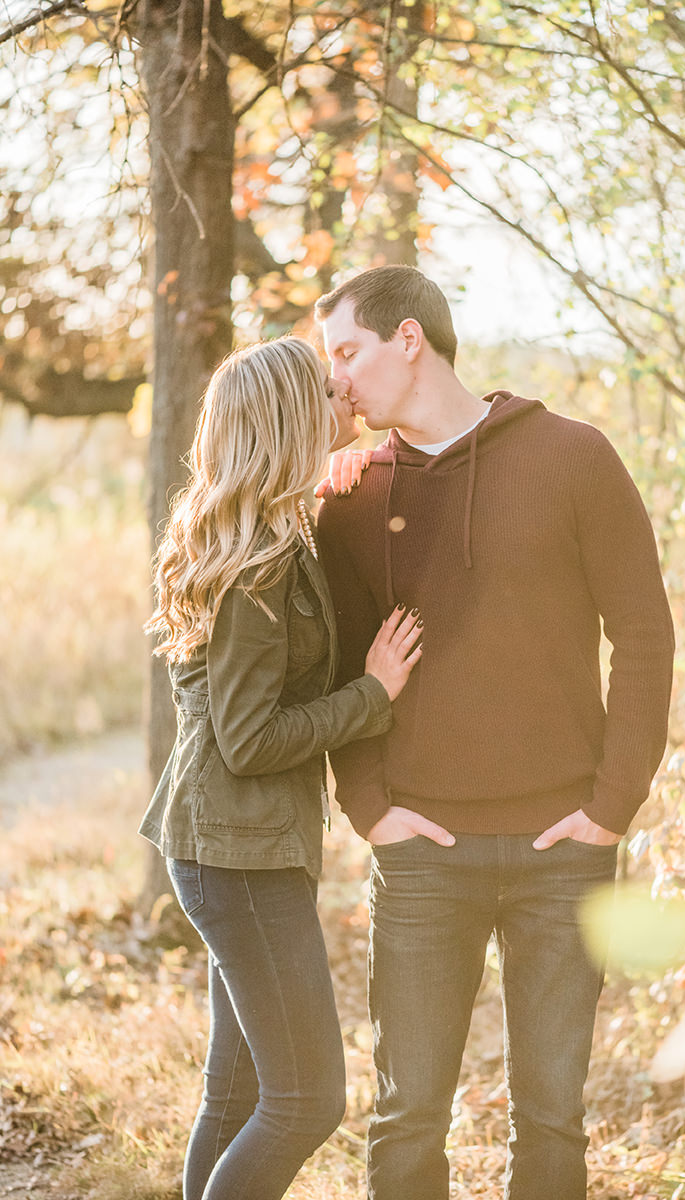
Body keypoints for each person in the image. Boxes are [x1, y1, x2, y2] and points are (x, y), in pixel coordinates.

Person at [314, 266, 675, 1200]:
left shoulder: (572, 456)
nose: (337, 380)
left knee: (550, 1119)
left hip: (565, 848)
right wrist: (371, 810)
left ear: (409, 339)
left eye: (347, 352)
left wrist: (610, 808)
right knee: (406, 1117)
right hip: (422, 851)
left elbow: (642, 631)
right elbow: (337, 667)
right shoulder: (349, 495)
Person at [138, 337, 423, 1200]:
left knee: (238, 1094)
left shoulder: (266, 534)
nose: (348, 400)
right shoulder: (259, 563)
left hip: (228, 846)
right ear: (291, 420)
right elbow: (250, 739)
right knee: (305, 1101)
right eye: (330, 395)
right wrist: (373, 694)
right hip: (239, 856)